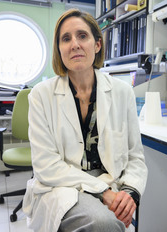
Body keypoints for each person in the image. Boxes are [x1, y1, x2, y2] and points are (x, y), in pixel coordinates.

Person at [22, 8, 148, 232]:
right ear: (59, 49)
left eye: (82, 36)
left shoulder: (122, 92)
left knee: (112, 220)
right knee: (104, 223)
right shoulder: (41, 95)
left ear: (97, 44)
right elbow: (46, 166)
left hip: (111, 182)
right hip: (61, 186)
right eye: (66, 39)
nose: (75, 45)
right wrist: (103, 192)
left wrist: (130, 194)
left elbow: (135, 157)